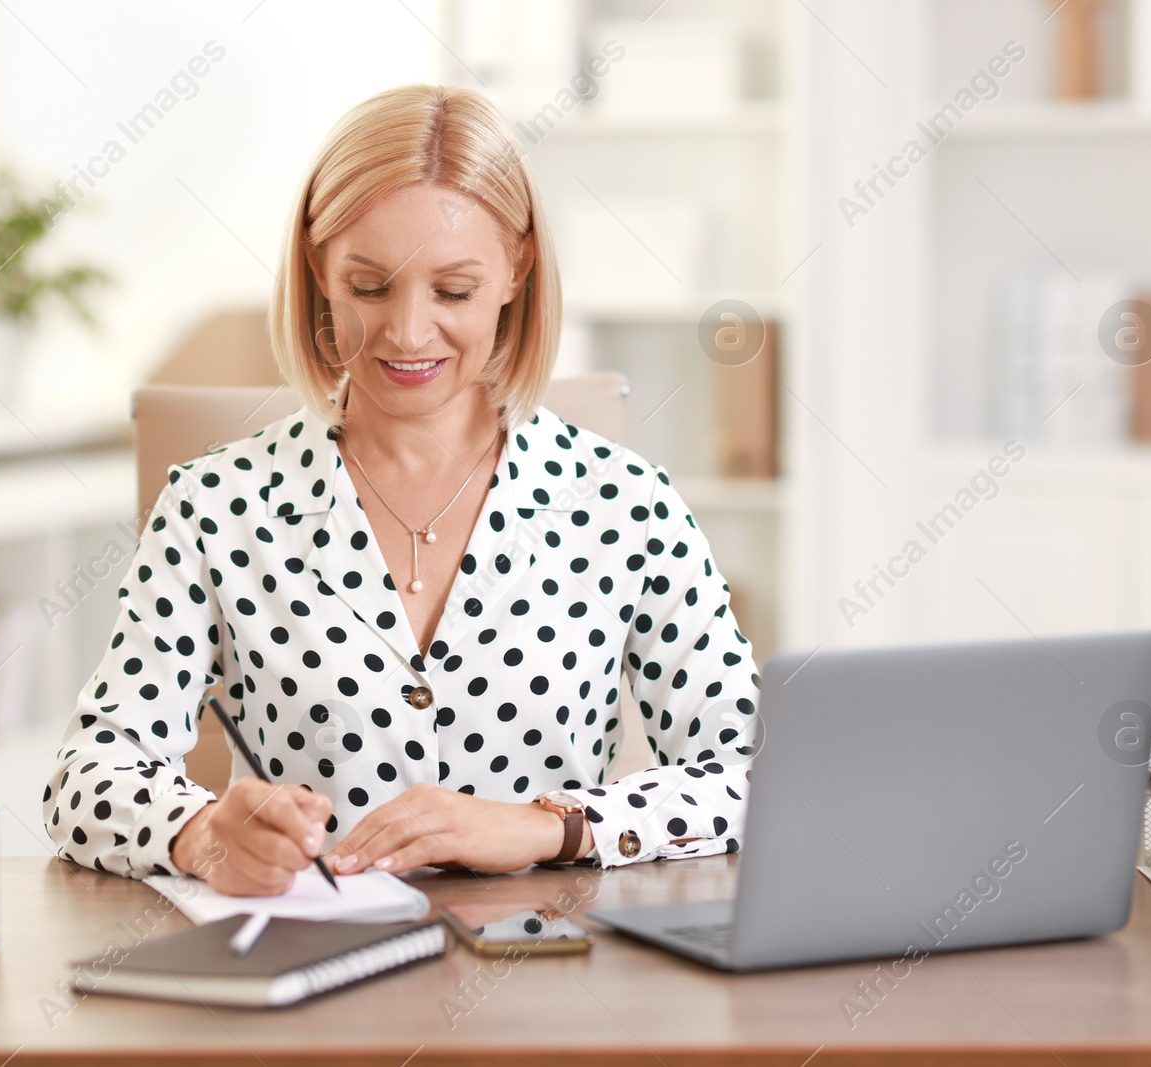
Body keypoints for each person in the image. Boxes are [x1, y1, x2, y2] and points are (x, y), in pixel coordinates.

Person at [43, 84, 760, 895]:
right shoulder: (215, 507)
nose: (409, 333)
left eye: (452, 291)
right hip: (316, 977)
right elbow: (87, 778)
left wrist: (548, 827)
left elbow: (754, 773)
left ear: (517, 270)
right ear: (318, 267)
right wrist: (202, 833)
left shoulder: (627, 503)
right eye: (370, 286)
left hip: (550, 977)